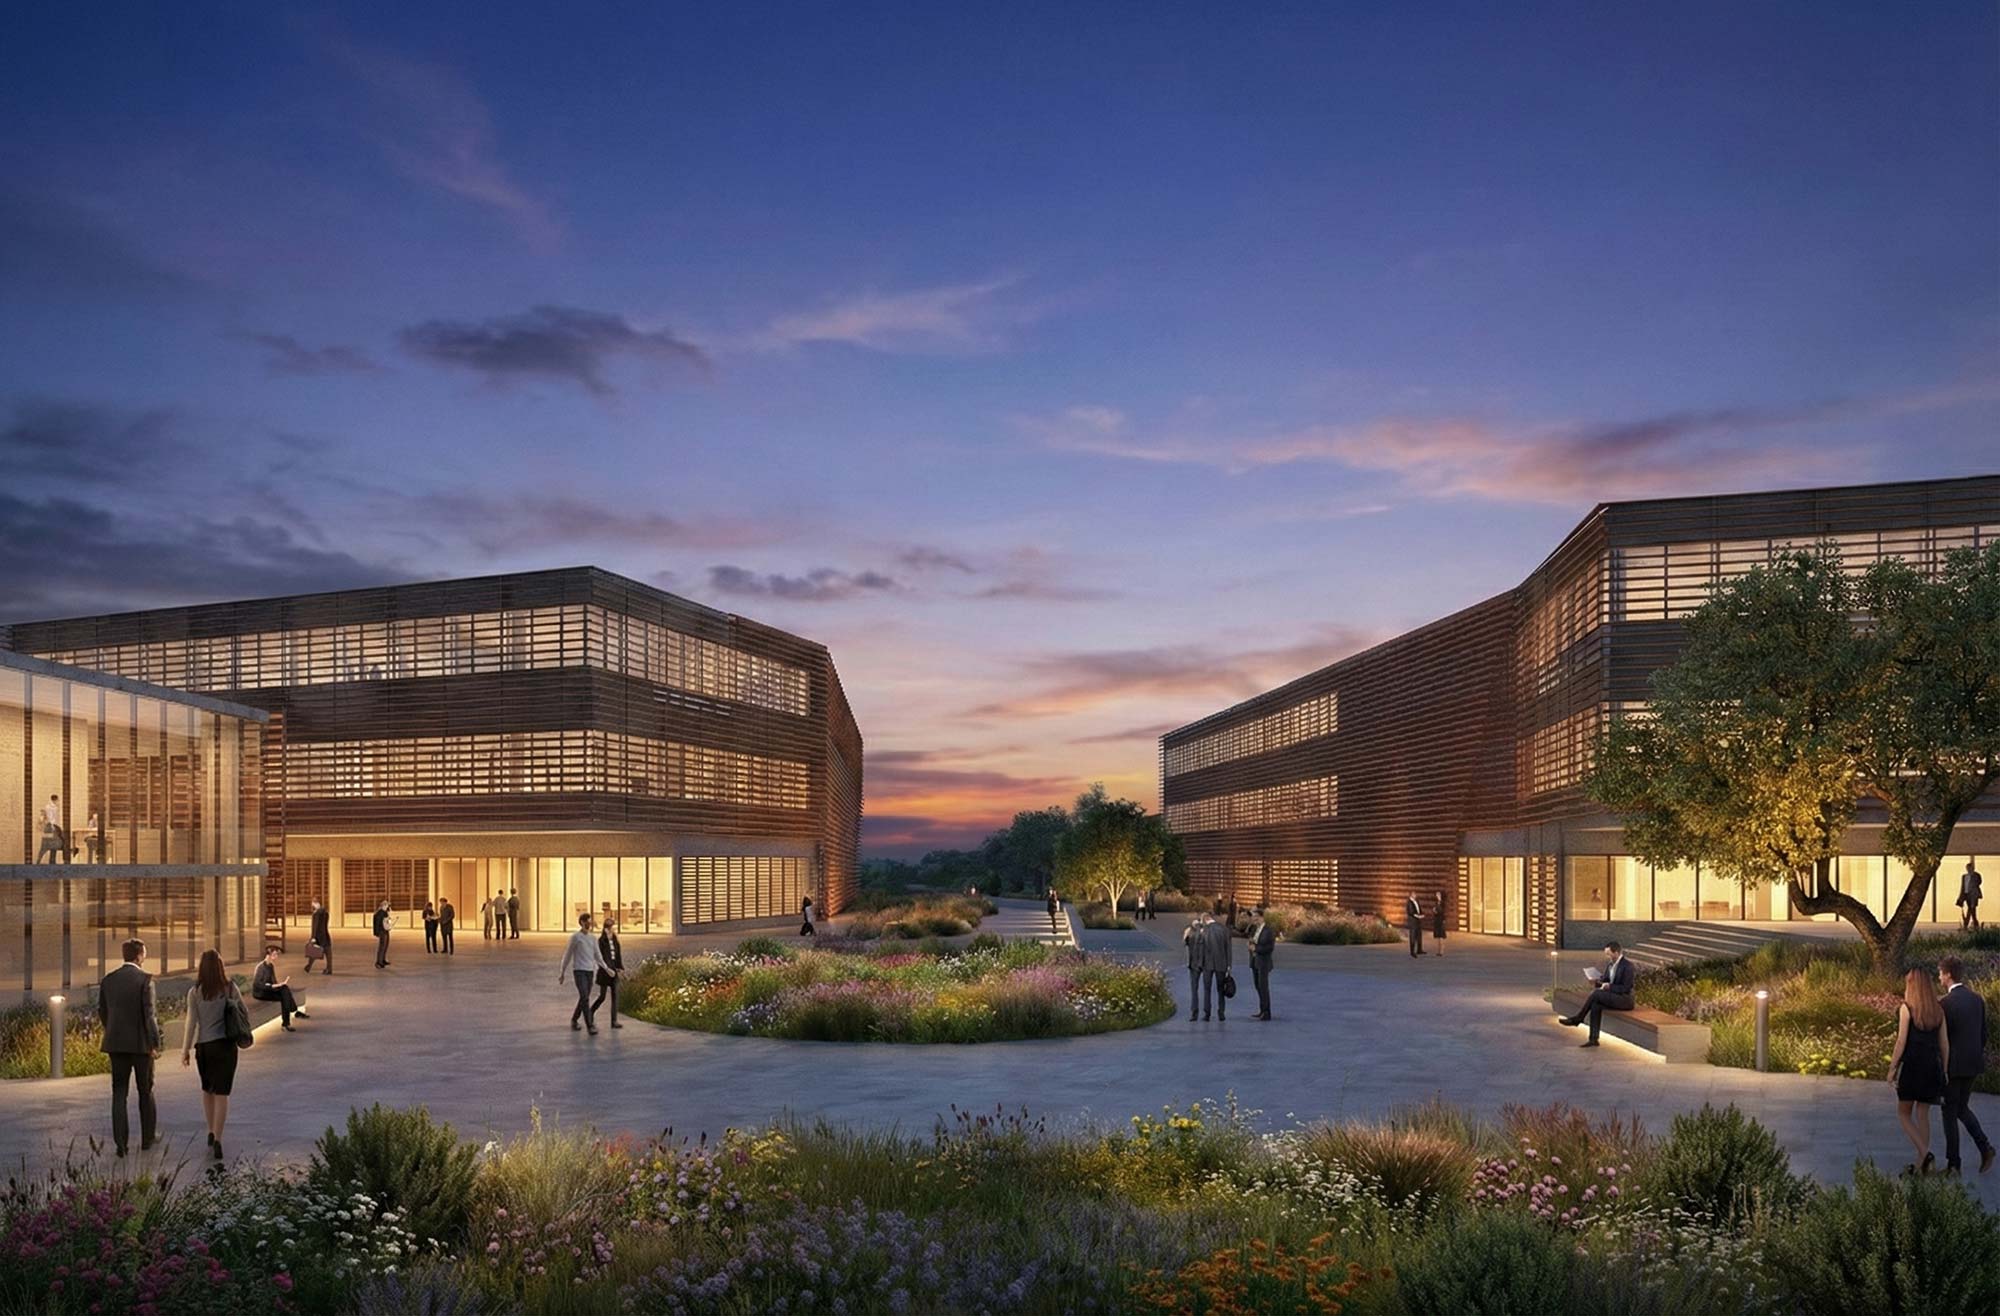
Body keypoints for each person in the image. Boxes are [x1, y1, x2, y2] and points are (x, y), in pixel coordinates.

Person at [97, 938, 161, 1157]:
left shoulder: (108, 981)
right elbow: (149, 1016)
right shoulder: (145, 980)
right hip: (141, 1046)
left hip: (116, 1045)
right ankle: (147, 1138)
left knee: (119, 1093)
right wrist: (155, 1043)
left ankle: (121, 1144)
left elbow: (103, 1012)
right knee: (145, 1090)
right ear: (139, 956)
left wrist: (113, 1032)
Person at [180, 949, 241, 1161]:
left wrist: (185, 1049)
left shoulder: (195, 992)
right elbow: (242, 1012)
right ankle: (218, 1139)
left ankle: (210, 1130)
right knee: (222, 1094)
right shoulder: (230, 988)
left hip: (204, 1048)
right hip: (225, 1046)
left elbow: (191, 1023)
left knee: (207, 1090)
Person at [1891, 967, 1950, 1175]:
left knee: (1903, 1113)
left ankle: (1925, 1154)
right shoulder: (1938, 1010)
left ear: (1912, 985)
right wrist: (1944, 1070)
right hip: (1932, 1067)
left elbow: (1901, 1042)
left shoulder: (1907, 1008)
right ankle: (1921, 1167)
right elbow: (1944, 1044)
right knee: (1922, 1114)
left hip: (1913, 1066)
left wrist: (1892, 1068)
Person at [1939, 954, 1995, 1175]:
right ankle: (1985, 1147)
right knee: (1961, 1107)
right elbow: (1983, 1034)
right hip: (1973, 1063)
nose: (1939, 977)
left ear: (1948, 974)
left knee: (1949, 1112)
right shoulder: (1977, 999)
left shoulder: (1945, 1003)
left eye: (1940, 973)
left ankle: (1954, 1165)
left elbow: (1943, 1039)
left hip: (1954, 1065)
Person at [1557, 942, 1635, 1047]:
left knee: (1597, 994)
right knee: (1595, 1005)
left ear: (1616, 952)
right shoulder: (1610, 965)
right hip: (1612, 996)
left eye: (1608, 954)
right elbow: (1605, 980)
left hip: (1624, 1000)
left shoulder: (1627, 966)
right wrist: (1596, 981)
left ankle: (1578, 1019)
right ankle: (1593, 1039)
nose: (1607, 956)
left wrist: (1609, 987)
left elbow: (1626, 988)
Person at [557, 912, 603, 1034]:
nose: (590, 923)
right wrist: (562, 972)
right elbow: (567, 955)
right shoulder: (575, 937)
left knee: (584, 998)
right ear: (582, 922)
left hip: (590, 971)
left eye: (590, 921)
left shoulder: (593, 938)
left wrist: (606, 968)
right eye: (587, 921)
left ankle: (574, 1019)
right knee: (584, 997)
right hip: (579, 971)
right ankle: (590, 1025)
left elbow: (598, 956)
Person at [252, 945, 308, 1030]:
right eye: (274, 955)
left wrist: (278, 986)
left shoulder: (270, 966)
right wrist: (272, 986)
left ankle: (286, 1023)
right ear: (268, 955)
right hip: (260, 993)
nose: (276, 957)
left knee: (284, 991)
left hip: (269, 990)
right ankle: (293, 1012)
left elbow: (273, 980)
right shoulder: (260, 967)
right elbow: (257, 984)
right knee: (285, 994)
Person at [1200, 909, 1233, 1021]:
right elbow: (1228, 948)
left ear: (1205, 919)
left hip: (1207, 964)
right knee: (1220, 990)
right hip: (1221, 963)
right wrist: (1229, 964)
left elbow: (1201, 948)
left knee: (1207, 989)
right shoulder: (1224, 929)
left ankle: (1207, 1013)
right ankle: (1221, 1013)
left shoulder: (1204, 930)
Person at [592, 916, 625, 1029]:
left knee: (615, 996)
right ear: (606, 929)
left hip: (614, 972)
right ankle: (590, 1013)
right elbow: (601, 958)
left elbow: (617, 955)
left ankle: (614, 1021)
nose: (613, 930)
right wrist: (608, 968)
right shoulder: (601, 941)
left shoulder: (615, 940)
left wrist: (620, 967)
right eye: (611, 928)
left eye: (614, 928)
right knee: (602, 997)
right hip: (605, 973)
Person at [1247, 907, 1276, 1020]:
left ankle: (1267, 1012)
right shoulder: (1254, 929)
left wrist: (1256, 948)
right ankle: (1262, 1010)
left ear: (1261, 917)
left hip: (1263, 962)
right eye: (1253, 917)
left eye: (1255, 917)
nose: (1253, 920)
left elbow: (1269, 948)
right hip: (1254, 962)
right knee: (1257, 986)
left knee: (1263, 987)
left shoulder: (1268, 931)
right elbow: (1251, 940)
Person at [1183, 913, 1208, 1021]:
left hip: (1194, 964)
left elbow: (1185, 942)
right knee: (1205, 989)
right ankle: (1205, 1012)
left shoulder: (1190, 932)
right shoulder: (1205, 932)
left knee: (1195, 989)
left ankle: (1195, 1012)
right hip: (1202, 963)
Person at [36, 794, 66, 863]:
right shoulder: (55, 808)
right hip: (53, 826)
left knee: (45, 845)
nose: (58, 802)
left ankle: (40, 860)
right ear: (55, 800)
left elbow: (43, 818)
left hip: (48, 827)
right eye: (58, 800)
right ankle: (56, 860)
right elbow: (53, 819)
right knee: (62, 841)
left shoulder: (47, 807)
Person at [1958, 860, 1984, 933]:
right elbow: (1962, 887)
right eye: (1967, 868)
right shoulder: (1964, 877)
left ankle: (1967, 925)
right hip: (1966, 895)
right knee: (1972, 911)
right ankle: (1975, 925)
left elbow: (1979, 882)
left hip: (1973, 895)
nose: (1969, 869)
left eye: (1970, 868)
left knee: (1971, 910)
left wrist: (1973, 874)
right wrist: (1960, 897)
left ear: (1973, 868)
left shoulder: (1976, 876)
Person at [308, 899, 332, 975]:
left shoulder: (316, 914)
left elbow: (315, 926)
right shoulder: (325, 912)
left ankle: (309, 966)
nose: (312, 906)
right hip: (325, 935)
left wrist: (313, 937)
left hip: (318, 936)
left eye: (313, 904)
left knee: (313, 951)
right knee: (328, 953)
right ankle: (329, 968)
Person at [1405, 893, 1425, 957]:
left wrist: (1422, 914)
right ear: (1411, 895)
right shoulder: (1409, 903)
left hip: (1418, 921)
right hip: (1413, 922)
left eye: (1416, 894)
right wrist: (1418, 916)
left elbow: (1419, 909)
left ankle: (1419, 949)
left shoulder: (1417, 901)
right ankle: (1412, 952)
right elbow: (1411, 912)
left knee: (1419, 935)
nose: (1416, 895)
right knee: (1413, 936)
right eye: (1414, 894)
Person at [373, 899, 391, 968]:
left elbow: (387, 921)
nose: (387, 906)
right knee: (382, 946)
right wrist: (376, 933)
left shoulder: (385, 912)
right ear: (383, 905)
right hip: (382, 931)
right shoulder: (379, 913)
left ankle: (383, 960)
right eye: (386, 905)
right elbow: (376, 924)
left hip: (386, 930)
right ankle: (379, 962)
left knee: (385, 945)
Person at [1431, 890, 1447, 958]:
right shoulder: (1436, 902)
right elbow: (1435, 910)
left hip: (1441, 920)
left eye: (1438, 894)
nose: (1437, 896)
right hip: (1437, 920)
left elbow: (1442, 911)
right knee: (1438, 936)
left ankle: (1442, 951)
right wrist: (1434, 911)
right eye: (1436, 895)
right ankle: (1438, 951)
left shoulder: (1442, 903)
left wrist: (1436, 911)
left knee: (1441, 936)